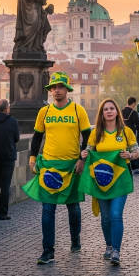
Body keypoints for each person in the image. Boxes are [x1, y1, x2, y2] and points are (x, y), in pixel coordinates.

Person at [26, 72, 92, 265]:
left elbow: (88, 137)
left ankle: (75, 238)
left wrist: (82, 159)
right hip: (49, 166)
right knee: (48, 209)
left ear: (67, 90)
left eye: (60, 87)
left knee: (73, 207)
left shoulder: (78, 111)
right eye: (53, 87)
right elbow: (37, 137)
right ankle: (48, 250)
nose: (56, 90)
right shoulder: (44, 112)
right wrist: (32, 158)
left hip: (71, 166)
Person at [80, 98, 139, 266]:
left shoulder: (125, 132)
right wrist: (84, 155)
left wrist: (130, 155)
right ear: (102, 113)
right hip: (102, 180)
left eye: (112, 108)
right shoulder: (96, 133)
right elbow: (89, 150)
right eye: (105, 109)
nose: (109, 111)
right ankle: (108, 245)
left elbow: (137, 152)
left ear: (116, 111)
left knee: (115, 215)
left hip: (120, 178)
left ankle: (116, 250)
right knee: (105, 217)